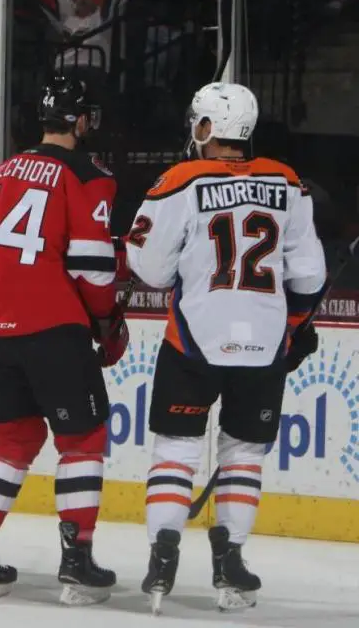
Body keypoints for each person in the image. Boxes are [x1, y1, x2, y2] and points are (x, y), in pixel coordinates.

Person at [124, 82, 327, 613]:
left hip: (193, 339)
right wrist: (296, 327)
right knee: (244, 453)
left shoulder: (179, 180)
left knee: (176, 447)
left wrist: (183, 269)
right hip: (263, 347)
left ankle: (162, 557)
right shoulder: (287, 181)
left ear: (209, 128)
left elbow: (146, 265)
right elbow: (309, 273)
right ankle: (230, 561)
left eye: (198, 121)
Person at [0, 76, 129, 605]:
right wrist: (107, 321)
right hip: (49, 323)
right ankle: (77, 561)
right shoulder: (89, 175)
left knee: (13, 439)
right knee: (84, 438)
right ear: (80, 120)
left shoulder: (4, 170)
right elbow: (94, 267)